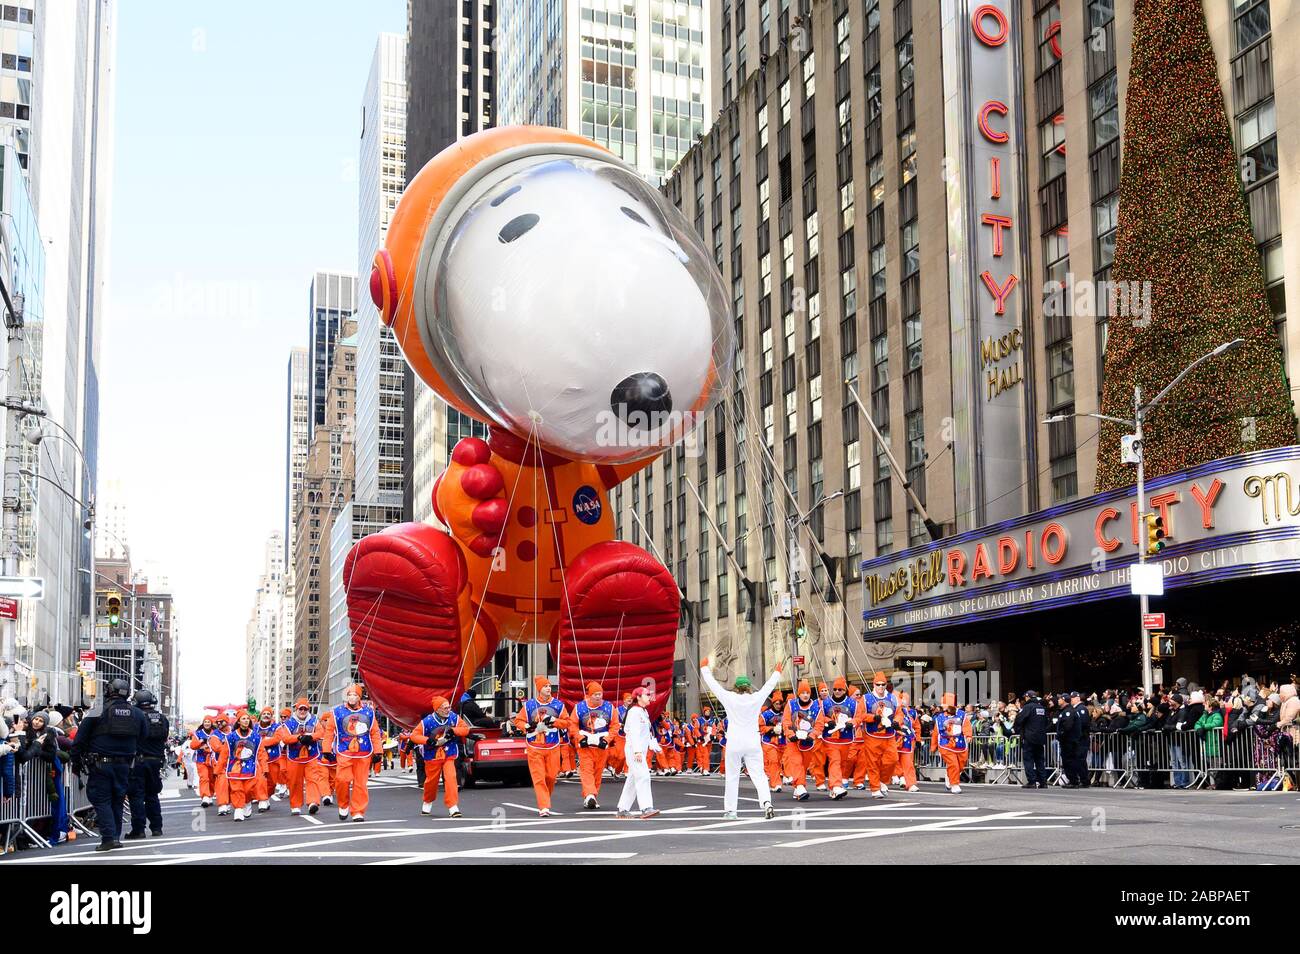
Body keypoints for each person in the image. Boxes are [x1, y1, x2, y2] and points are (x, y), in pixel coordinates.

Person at [70, 679, 149, 851]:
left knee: (101, 799)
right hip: (125, 764)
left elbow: (80, 739)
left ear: (109, 690)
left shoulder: (97, 711)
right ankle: (114, 837)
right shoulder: (137, 714)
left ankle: (108, 838)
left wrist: (75, 761)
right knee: (117, 799)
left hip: (100, 764)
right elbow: (143, 737)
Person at [700, 655, 781, 820]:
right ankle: (766, 802)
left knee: (732, 777)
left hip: (735, 741)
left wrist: (704, 669)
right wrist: (777, 673)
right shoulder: (755, 698)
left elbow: (714, 686)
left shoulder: (729, 698)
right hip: (752, 741)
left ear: (736, 687)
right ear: (748, 687)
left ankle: (731, 811)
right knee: (759, 774)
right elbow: (768, 687)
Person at [322, 685, 382, 820]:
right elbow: (329, 732)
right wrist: (326, 749)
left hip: (364, 753)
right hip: (344, 752)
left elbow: (374, 733)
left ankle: (358, 811)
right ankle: (343, 805)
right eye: (350, 695)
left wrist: (378, 751)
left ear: (359, 697)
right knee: (342, 780)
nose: (352, 697)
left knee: (360, 784)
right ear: (346, 696)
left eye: (355, 695)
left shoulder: (369, 712)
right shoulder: (336, 712)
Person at [514, 675, 570, 817]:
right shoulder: (529, 705)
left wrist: (554, 720)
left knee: (551, 777)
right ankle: (543, 806)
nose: (548, 688)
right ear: (539, 689)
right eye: (545, 686)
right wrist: (526, 726)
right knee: (538, 778)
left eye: (549, 686)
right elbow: (518, 721)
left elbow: (567, 723)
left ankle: (545, 799)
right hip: (534, 746)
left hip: (553, 746)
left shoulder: (558, 705)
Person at [410, 694, 470, 818]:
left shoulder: (454, 718)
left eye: (449, 707)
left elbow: (465, 729)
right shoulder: (426, 721)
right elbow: (414, 736)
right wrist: (428, 741)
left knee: (451, 778)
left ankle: (453, 807)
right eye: (445, 708)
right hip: (432, 755)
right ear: (437, 709)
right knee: (431, 781)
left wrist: (454, 731)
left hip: (449, 753)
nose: (449, 709)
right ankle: (427, 800)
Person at [124, 690, 169, 839]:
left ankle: (139, 829)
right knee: (152, 795)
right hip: (156, 761)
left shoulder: (136, 717)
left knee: (137, 796)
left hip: (139, 761)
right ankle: (157, 827)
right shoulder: (162, 718)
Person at [218, 710, 274, 820]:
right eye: (243, 719)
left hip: (250, 768)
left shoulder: (256, 736)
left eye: (247, 718)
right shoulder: (231, 737)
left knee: (248, 790)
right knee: (236, 789)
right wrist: (218, 769)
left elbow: (261, 753)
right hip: (235, 768)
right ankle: (238, 810)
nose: (246, 720)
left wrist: (264, 768)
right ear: (238, 721)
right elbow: (225, 754)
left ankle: (247, 802)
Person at [616, 684, 662, 819]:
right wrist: (637, 751)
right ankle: (646, 808)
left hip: (639, 750)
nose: (649, 697)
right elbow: (634, 733)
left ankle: (623, 809)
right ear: (639, 697)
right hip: (634, 750)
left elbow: (646, 732)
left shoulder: (643, 712)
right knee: (643, 776)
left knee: (632, 779)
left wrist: (653, 745)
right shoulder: (634, 712)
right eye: (647, 694)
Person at [572, 681, 619, 809]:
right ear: (589, 695)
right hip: (585, 745)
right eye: (595, 694)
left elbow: (615, 725)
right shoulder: (579, 707)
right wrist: (580, 737)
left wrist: (607, 739)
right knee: (586, 770)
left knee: (598, 772)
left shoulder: (609, 708)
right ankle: (589, 795)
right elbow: (572, 725)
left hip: (601, 744)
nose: (598, 696)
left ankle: (591, 797)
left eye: (600, 694)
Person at [277, 698, 326, 815]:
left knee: (312, 779)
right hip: (294, 757)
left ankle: (313, 802)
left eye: (305, 709)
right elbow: (285, 738)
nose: (303, 711)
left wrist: (311, 737)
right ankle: (295, 805)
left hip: (311, 756)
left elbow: (320, 733)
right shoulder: (288, 723)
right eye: (300, 709)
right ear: (296, 709)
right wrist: (298, 737)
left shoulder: (314, 721)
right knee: (294, 782)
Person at [857, 671, 900, 798]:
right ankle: (875, 787)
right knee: (873, 762)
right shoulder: (866, 698)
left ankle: (882, 780)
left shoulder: (892, 698)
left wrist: (897, 722)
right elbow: (860, 715)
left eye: (883, 684)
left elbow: (899, 713)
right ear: (873, 685)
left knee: (892, 760)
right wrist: (873, 718)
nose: (881, 687)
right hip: (872, 736)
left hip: (889, 735)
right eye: (878, 684)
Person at [816, 676, 857, 799]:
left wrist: (853, 722)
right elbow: (819, 717)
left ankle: (834, 786)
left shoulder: (853, 703)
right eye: (835, 689)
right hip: (830, 738)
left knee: (842, 762)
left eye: (840, 689)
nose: (837, 691)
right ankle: (835, 786)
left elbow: (859, 717)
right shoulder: (825, 703)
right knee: (835, 761)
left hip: (846, 738)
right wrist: (828, 721)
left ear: (845, 690)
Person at [784, 679, 822, 800]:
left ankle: (798, 788)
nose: (805, 695)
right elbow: (786, 721)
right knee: (797, 763)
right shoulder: (791, 705)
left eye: (808, 693)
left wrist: (812, 736)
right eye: (803, 692)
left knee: (804, 766)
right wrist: (790, 735)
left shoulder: (817, 707)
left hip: (808, 742)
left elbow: (819, 724)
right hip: (794, 741)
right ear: (799, 694)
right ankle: (800, 787)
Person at [932, 693, 971, 794]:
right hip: (945, 744)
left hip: (960, 744)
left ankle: (950, 776)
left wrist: (968, 735)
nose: (943, 706)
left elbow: (966, 726)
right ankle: (955, 784)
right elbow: (936, 732)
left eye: (945, 704)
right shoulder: (940, 717)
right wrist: (933, 746)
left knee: (961, 765)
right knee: (953, 764)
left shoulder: (962, 714)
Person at [1014, 690, 1050, 789]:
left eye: (1025, 697)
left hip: (1029, 737)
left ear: (1028, 697)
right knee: (1039, 760)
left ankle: (1032, 781)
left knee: (1028, 760)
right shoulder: (1042, 708)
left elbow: (1019, 719)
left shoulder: (1027, 707)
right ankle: (1043, 782)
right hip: (1040, 738)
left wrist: (1017, 729)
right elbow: (1047, 721)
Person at [892, 691, 921, 793]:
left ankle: (911, 783)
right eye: (902, 698)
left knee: (908, 762)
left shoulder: (912, 713)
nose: (904, 701)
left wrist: (918, 739)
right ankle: (900, 775)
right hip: (893, 739)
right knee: (893, 760)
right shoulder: (891, 710)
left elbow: (917, 727)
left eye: (905, 699)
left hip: (908, 739)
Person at [759, 691, 787, 793]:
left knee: (779, 762)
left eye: (780, 703)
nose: (779, 706)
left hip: (782, 742)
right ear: (773, 703)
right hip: (769, 742)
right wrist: (771, 729)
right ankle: (776, 784)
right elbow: (760, 727)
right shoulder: (766, 714)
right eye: (777, 703)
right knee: (773, 762)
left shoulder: (784, 714)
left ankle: (775, 782)